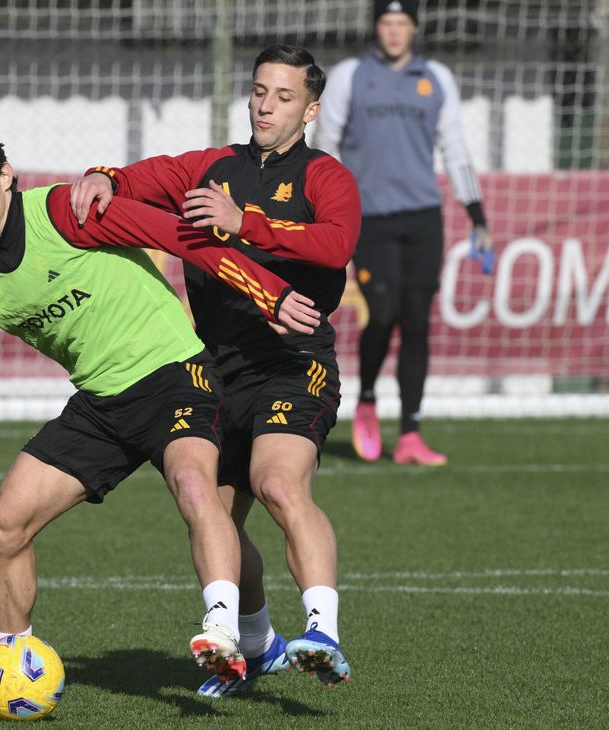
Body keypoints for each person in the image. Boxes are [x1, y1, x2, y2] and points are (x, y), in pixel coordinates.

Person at [0, 121, 325, 708]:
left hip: (177, 375)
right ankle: (8, 665)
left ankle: (222, 632)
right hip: (101, 405)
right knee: (3, 525)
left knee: (192, 485)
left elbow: (184, 238)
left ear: (5, 176)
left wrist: (268, 293)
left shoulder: (67, 213)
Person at [70, 44, 361, 694]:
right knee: (216, 524)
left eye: (283, 96)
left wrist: (245, 223)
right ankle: (253, 644)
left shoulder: (325, 176)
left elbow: (336, 243)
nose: (266, 104)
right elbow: (134, 179)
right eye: (260, 90)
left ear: (310, 109)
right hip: (215, 373)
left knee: (279, 485)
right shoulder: (211, 166)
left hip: (292, 363)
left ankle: (323, 632)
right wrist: (101, 175)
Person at [314, 0, 496, 466]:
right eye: (387, 23)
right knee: (384, 311)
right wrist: (324, 211)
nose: (395, 32)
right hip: (370, 218)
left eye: (403, 23)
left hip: (423, 218)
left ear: (414, 27)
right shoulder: (352, 76)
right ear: (376, 27)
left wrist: (477, 215)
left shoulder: (436, 77)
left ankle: (411, 432)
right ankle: (369, 401)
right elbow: (326, 148)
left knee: (417, 321)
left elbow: (454, 147)